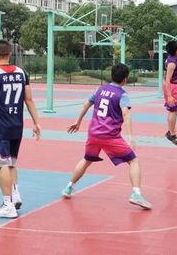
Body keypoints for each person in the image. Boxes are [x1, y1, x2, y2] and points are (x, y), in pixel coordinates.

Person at [62, 63, 151, 209]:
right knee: (133, 161)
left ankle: (68, 187)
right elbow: (126, 114)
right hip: (110, 136)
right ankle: (136, 193)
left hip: (93, 134)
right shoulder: (122, 95)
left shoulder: (100, 89)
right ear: (125, 79)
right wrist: (130, 137)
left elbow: (85, 105)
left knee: (86, 159)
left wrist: (78, 122)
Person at [0, 40, 41, 218]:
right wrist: (36, 122)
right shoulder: (22, 73)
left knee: (2, 164)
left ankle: (8, 205)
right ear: (10, 54)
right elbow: (29, 99)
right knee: (12, 162)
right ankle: (15, 194)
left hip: (1, 126)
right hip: (17, 125)